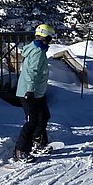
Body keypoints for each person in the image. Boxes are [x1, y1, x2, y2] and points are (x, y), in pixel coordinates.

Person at [14, 24, 56, 162]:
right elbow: (32, 71)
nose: (51, 40)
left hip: (37, 91)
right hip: (29, 91)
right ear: (45, 36)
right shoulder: (37, 51)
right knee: (32, 121)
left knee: (43, 116)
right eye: (50, 37)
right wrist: (30, 90)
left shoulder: (39, 49)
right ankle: (21, 152)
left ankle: (39, 143)